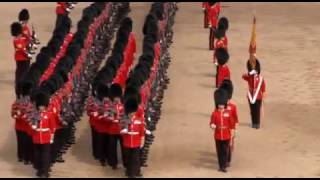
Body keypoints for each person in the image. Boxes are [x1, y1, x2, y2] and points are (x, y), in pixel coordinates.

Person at [31, 90, 55, 178]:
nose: (41, 107)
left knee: (45, 155)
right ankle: (39, 170)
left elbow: (53, 127)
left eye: (43, 105)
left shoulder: (49, 115)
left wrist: (52, 137)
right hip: (37, 137)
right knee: (37, 156)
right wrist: (33, 126)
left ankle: (45, 172)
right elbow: (32, 123)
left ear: (45, 105)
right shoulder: (35, 115)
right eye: (40, 105)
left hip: (46, 137)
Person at [210, 88, 235, 173]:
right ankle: (220, 165)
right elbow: (212, 122)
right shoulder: (215, 113)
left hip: (226, 135)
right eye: (219, 104)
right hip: (217, 135)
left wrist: (232, 133)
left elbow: (231, 124)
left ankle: (223, 166)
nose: (221, 105)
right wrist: (212, 125)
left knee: (225, 151)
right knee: (219, 152)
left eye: (222, 104)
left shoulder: (228, 112)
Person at [121, 98, 145, 178]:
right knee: (128, 159)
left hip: (136, 143)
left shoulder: (139, 120)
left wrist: (142, 141)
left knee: (135, 159)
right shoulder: (124, 121)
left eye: (133, 112)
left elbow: (141, 132)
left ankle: (135, 172)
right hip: (127, 143)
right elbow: (120, 130)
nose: (132, 113)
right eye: (131, 112)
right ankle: (128, 171)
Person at [242, 57, 266, 129]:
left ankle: (257, 124)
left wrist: (263, 95)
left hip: (258, 96)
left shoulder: (261, 78)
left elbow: (263, 87)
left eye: (255, 68)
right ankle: (253, 123)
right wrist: (250, 73)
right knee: (252, 110)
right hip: (250, 96)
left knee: (257, 110)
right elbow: (243, 76)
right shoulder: (250, 77)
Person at [219, 79, 238, 167]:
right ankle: (226, 159)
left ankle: (228, 159)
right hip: (223, 129)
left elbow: (235, 118)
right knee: (225, 145)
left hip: (231, 128)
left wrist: (235, 128)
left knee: (230, 144)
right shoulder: (219, 107)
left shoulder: (233, 106)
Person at [11, 22, 32, 96]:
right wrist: (29, 54)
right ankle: (20, 92)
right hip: (21, 60)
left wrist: (29, 38)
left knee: (24, 75)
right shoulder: (16, 41)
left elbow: (27, 41)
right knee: (21, 76)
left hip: (25, 59)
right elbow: (22, 50)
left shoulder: (21, 39)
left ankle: (24, 91)